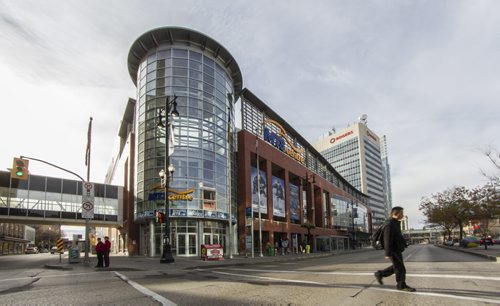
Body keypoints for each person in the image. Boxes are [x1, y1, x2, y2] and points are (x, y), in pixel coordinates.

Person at [374, 206, 416, 292]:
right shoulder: (389, 224)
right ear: (396, 213)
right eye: (402, 213)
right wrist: (388, 253)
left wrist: (404, 243)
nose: (403, 215)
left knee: (397, 266)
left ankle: (380, 274)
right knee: (400, 268)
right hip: (393, 250)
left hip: (396, 248)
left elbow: (397, 236)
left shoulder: (394, 223)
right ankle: (401, 285)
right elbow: (387, 239)